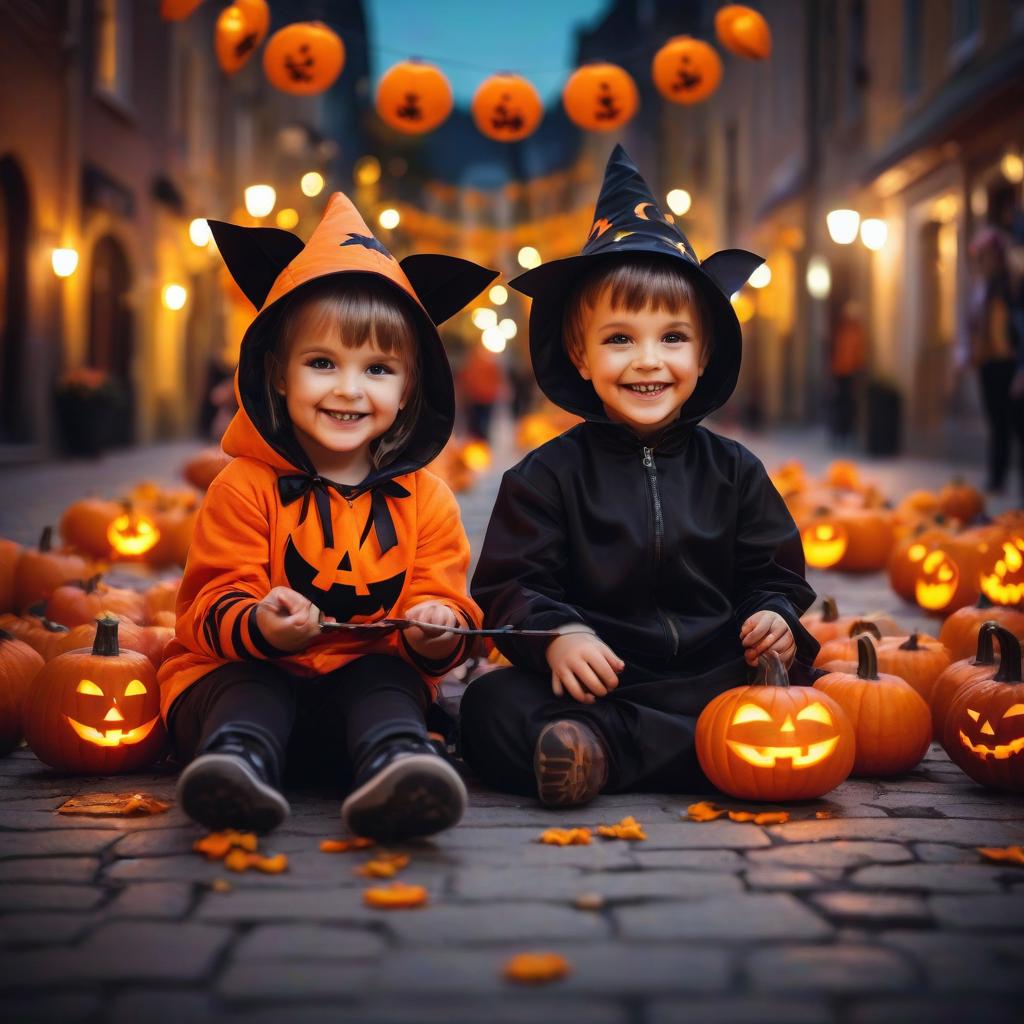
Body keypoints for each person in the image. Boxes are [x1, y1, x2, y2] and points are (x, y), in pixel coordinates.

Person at [460, 146, 819, 805]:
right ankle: (640, 751)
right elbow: (512, 587)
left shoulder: (735, 471)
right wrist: (558, 636)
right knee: (488, 703)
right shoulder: (545, 477)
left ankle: (614, 757)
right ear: (581, 354)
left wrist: (772, 614)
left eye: (673, 339)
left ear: (705, 351)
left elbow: (774, 572)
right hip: (602, 683)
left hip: (716, 679)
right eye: (620, 339)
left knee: (803, 690)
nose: (647, 361)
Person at [158, 192, 497, 839]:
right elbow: (207, 602)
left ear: (406, 392)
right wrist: (258, 621)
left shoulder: (427, 497)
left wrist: (437, 627)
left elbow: (442, 595)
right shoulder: (245, 485)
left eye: (376, 369)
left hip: (355, 706)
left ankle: (397, 765)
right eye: (322, 363)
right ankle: (236, 766)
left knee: (385, 680)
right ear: (278, 375)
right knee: (246, 687)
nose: (348, 388)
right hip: (247, 679)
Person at [963, 227, 1024, 498]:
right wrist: (967, 354)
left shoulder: (1013, 284)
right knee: (997, 422)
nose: (983, 262)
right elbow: (973, 325)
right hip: (988, 363)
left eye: (987, 256)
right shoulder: (981, 288)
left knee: (1018, 424)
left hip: (1011, 363)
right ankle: (997, 477)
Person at [828, 300, 867, 448]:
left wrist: (858, 368)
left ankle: (846, 432)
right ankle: (839, 433)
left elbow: (858, 354)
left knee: (848, 405)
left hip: (850, 374)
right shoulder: (842, 333)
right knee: (840, 404)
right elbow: (837, 353)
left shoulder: (855, 334)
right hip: (840, 373)